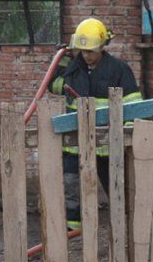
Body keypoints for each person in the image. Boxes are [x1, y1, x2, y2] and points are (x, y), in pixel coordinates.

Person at [49, 18, 142, 229]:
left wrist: (128, 136)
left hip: (107, 145)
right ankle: (73, 227)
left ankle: (125, 223)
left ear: (102, 47)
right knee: (72, 185)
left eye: (90, 51)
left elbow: (133, 104)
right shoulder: (73, 69)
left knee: (117, 186)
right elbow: (53, 86)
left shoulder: (119, 69)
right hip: (75, 143)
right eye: (82, 51)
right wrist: (63, 60)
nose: (86, 56)